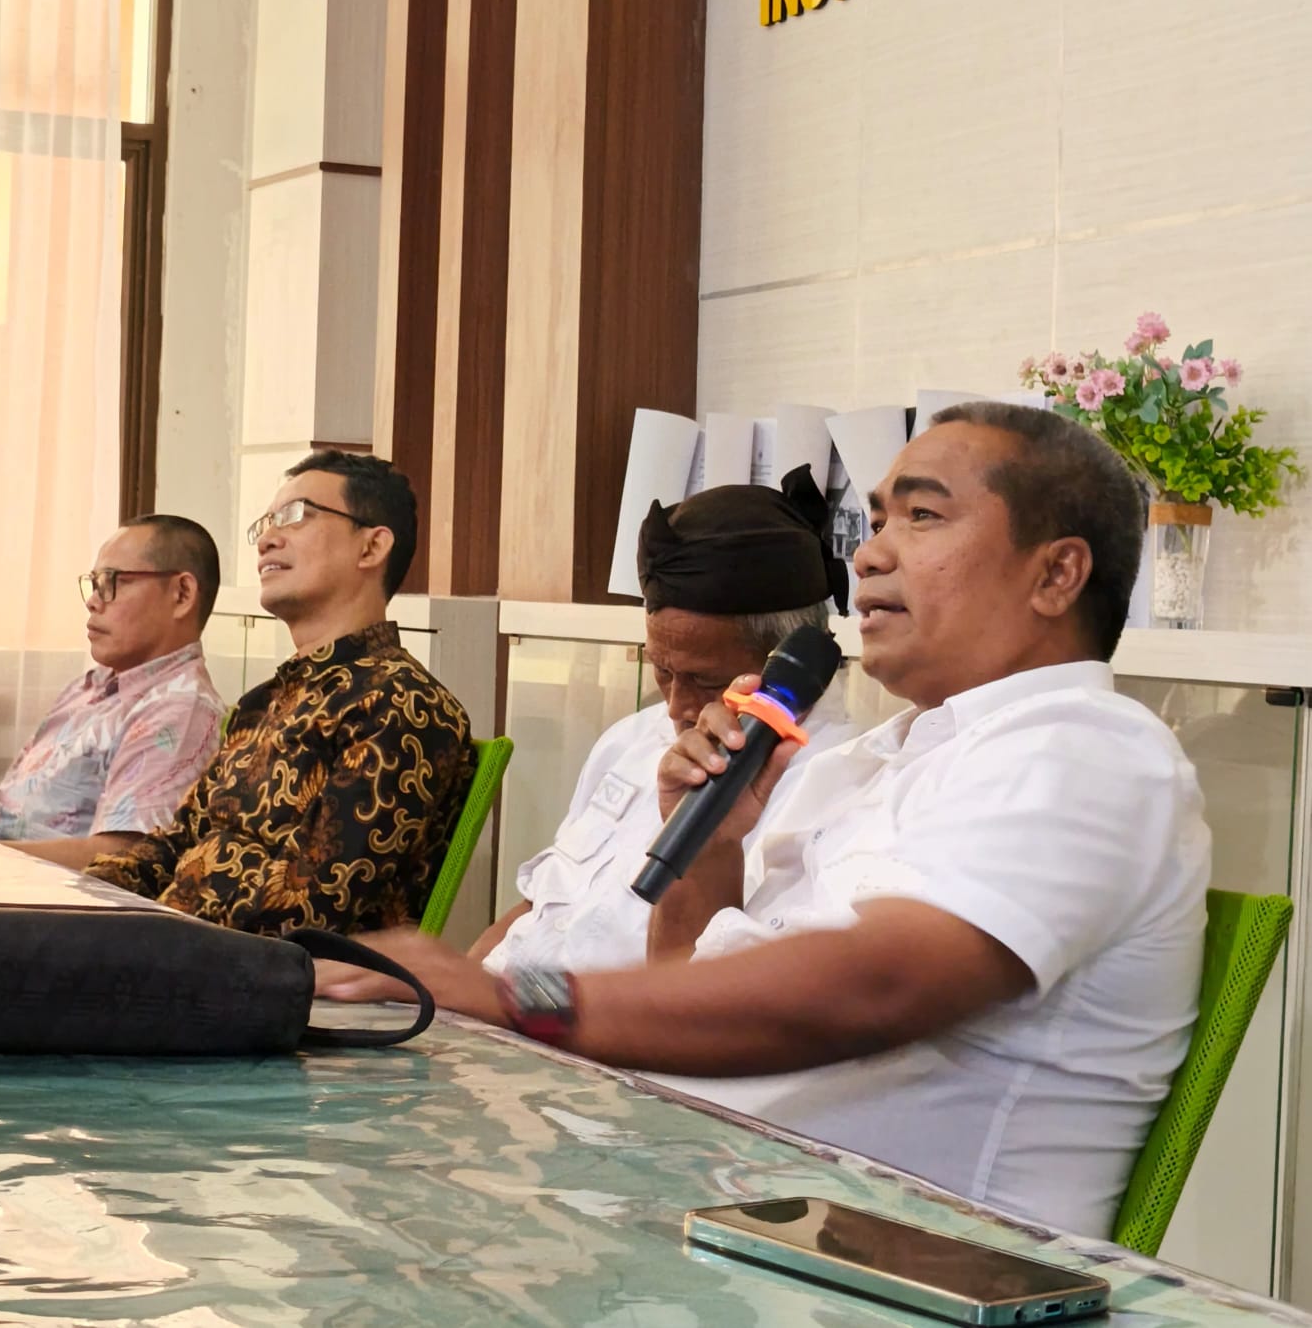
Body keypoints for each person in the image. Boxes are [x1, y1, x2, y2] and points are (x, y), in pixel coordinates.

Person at [320, 403, 1210, 1237]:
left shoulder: (1085, 746)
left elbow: (874, 986)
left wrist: (523, 999)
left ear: (1055, 574)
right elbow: (684, 992)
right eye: (877, 520)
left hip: (893, 1267)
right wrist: (710, 855)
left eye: (922, 517)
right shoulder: (882, 758)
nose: (869, 556)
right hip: (703, 1207)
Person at [475, 466, 854, 975]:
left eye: (704, 679)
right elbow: (535, 909)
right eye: (662, 670)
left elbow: (701, 994)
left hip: (592, 1021)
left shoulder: (836, 782)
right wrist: (447, 989)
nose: (676, 707)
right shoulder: (630, 739)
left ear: (784, 663)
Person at [85, 451, 475, 935]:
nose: (267, 539)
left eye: (296, 516)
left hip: (257, 970)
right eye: (266, 523)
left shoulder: (399, 704)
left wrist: (162, 914)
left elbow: (314, 906)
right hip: (176, 943)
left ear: (372, 547)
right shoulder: (263, 702)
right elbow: (176, 845)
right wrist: (81, 894)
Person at [0, 515, 226, 872]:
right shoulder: (90, 687)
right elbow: (4, 809)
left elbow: (120, 860)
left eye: (113, 582)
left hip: (14, 890)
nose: (93, 602)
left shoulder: (178, 708)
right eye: (94, 584)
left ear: (182, 594)